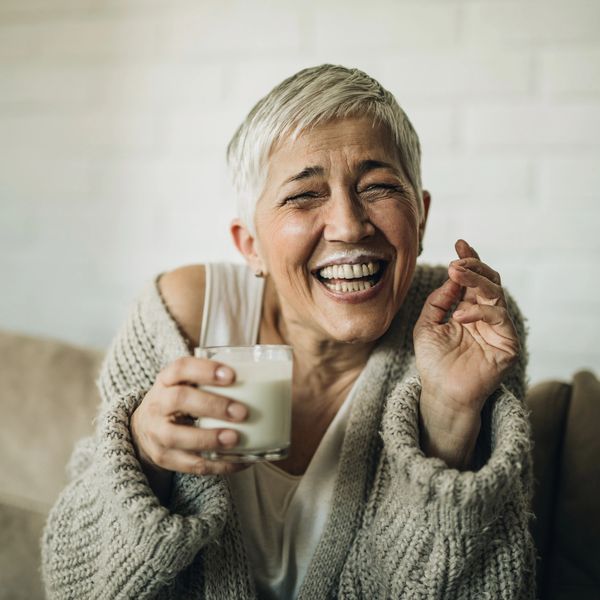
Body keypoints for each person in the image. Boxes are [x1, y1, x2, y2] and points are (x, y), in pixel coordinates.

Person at [42, 65, 535, 599]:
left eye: (378, 187)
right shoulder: (182, 315)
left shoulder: (464, 326)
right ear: (249, 243)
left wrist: (451, 415)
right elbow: (74, 583)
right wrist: (142, 453)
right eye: (304, 196)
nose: (348, 225)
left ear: (420, 216)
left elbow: (492, 587)